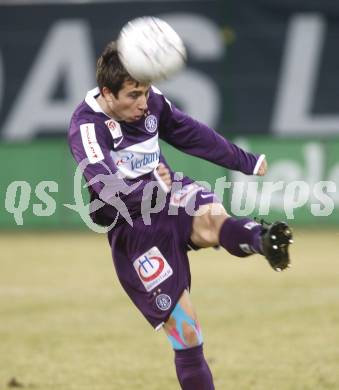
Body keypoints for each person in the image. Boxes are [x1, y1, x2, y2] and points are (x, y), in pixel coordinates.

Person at [68, 40, 293, 390]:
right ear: (107, 94)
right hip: (134, 227)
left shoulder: (150, 102)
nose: (144, 104)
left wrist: (244, 160)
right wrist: (150, 191)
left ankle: (260, 239)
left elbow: (188, 131)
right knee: (187, 333)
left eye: (145, 92)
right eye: (133, 96)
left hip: (169, 196)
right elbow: (107, 192)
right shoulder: (87, 128)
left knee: (211, 216)